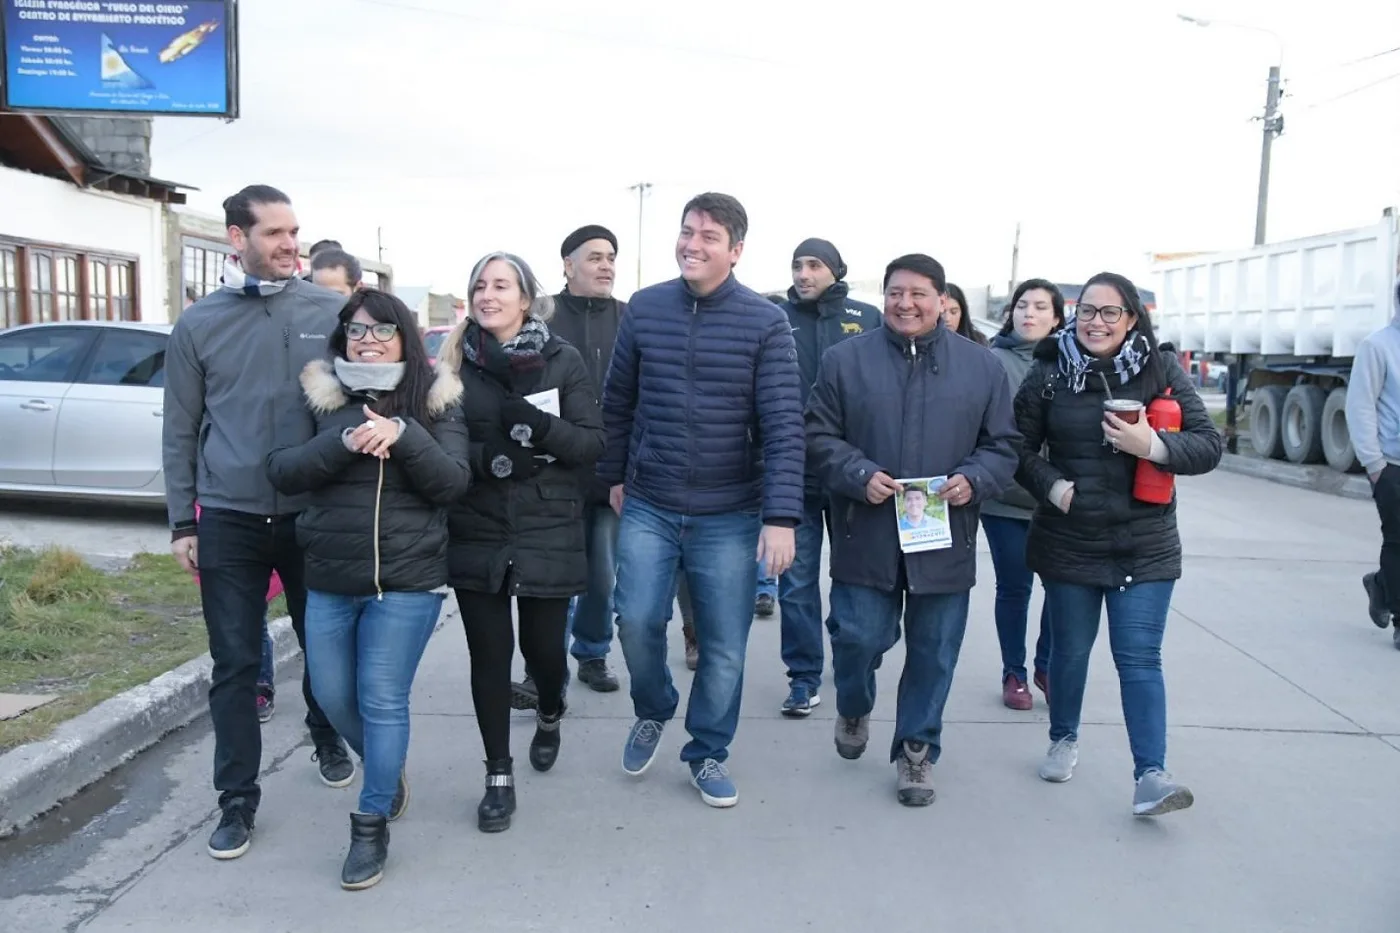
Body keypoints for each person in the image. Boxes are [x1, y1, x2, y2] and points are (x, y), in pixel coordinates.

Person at [162, 185, 353, 861]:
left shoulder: (330, 311)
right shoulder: (198, 324)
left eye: (295, 231)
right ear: (236, 237)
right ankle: (236, 801)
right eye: (274, 233)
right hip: (231, 520)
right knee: (236, 663)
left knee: (323, 647)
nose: (290, 244)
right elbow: (181, 428)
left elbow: (366, 402)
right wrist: (183, 520)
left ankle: (326, 733)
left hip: (312, 517)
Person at [601, 192, 803, 809]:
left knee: (722, 645)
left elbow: (783, 424)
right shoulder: (645, 307)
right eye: (687, 231)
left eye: (709, 236)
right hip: (650, 502)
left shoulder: (765, 322)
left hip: (730, 513)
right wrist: (613, 475)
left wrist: (780, 518)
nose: (692, 243)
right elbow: (618, 403)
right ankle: (655, 705)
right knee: (635, 619)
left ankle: (707, 750)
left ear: (735, 250)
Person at [267, 289, 471, 890]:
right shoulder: (319, 392)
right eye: (356, 332)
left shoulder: (438, 397)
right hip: (330, 576)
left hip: (408, 581)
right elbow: (282, 469)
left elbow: (453, 483)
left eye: (381, 330)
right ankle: (388, 769)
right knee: (332, 698)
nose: (368, 341)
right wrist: (340, 441)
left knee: (382, 699)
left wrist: (406, 437)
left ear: (404, 336)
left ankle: (371, 819)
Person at [806, 252, 1018, 807]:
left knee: (935, 651)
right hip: (865, 529)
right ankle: (854, 703)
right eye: (896, 292)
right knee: (856, 636)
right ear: (884, 297)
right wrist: (857, 473)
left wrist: (974, 479)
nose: (906, 303)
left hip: (946, 536)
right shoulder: (845, 361)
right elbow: (818, 435)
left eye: (919, 293)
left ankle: (916, 751)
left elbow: (1003, 446)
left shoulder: (981, 367)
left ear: (942, 300)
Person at [1014, 271, 1221, 816]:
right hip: (1069, 539)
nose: (1097, 323)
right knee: (1071, 652)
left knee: (1139, 657)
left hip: (1144, 544)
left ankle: (1151, 775)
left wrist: (1152, 445)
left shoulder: (1162, 368)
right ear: (1071, 316)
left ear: (1132, 319)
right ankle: (1064, 736)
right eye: (1087, 311)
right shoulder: (1048, 371)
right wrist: (1052, 487)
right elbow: (1015, 448)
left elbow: (1207, 445)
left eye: (1110, 313)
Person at [438, 252, 604, 833]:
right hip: (478, 525)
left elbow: (590, 444)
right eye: (479, 284)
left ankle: (552, 709)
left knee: (546, 657)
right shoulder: (455, 363)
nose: (488, 294)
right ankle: (497, 775)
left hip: (547, 525)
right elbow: (444, 444)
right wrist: (490, 458)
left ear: (526, 299)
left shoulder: (563, 359)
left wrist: (541, 429)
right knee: (490, 656)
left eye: (500, 285)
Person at [509, 224, 626, 707]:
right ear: (568, 265)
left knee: (601, 573)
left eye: (611, 257)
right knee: (545, 576)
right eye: (595, 257)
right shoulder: (541, 318)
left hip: (608, 469)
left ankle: (592, 652)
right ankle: (542, 669)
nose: (606, 265)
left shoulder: (629, 317)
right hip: (550, 470)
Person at [775, 236, 880, 717]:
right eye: (797, 265)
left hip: (849, 474)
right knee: (795, 582)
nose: (803, 274)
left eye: (814, 265)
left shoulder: (866, 318)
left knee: (850, 578)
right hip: (793, 472)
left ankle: (852, 661)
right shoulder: (777, 318)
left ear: (835, 270)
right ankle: (802, 677)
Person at [983, 279, 1066, 710]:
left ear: (1056, 317)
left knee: (1061, 589)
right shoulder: (991, 361)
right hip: (1004, 498)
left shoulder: (1074, 362)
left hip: (1059, 499)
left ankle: (1047, 666)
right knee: (1014, 588)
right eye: (1021, 306)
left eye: (1039, 307)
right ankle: (1013, 672)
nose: (1028, 313)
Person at [1347, 277, 1400, 643]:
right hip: (1393, 465)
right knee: (1398, 540)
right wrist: (1375, 465)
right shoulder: (1378, 346)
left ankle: (1381, 585)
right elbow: (1360, 406)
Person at [943, 283, 988, 347]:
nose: (947, 318)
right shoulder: (925, 344)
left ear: (962, 313)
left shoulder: (978, 342)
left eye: (954, 312)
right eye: (941, 312)